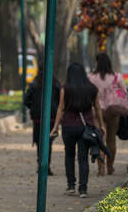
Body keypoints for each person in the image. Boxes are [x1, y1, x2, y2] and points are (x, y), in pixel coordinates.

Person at [50, 62, 105, 198]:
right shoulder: (92, 89)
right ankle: (83, 189)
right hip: (85, 127)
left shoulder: (65, 88)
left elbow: (61, 108)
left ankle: (70, 186)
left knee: (69, 155)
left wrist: (55, 127)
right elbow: (97, 107)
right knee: (83, 158)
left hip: (68, 127)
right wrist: (101, 125)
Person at [87, 53, 128, 175]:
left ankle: (101, 168)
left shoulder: (91, 77)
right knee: (111, 140)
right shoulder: (117, 77)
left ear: (97, 63)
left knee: (99, 140)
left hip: (96, 111)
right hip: (113, 112)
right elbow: (125, 93)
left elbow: (87, 93)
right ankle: (110, 166)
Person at [24, 67, 61, 175]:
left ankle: (40, 164)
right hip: (52, 117)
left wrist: (34, 107)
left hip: (38, 118)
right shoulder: (55, 84)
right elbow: (61, 99)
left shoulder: (34, 84)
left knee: (39, 142)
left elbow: (26, 100)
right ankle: (46, 166)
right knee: (48, 143)